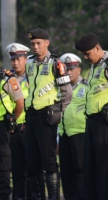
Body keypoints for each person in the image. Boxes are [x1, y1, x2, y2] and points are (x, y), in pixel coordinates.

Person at [75, 33, 108, 200]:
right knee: (91, 166)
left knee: (107, 168)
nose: (85, 57)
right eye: (83, 54)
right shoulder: (94, 65)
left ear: (97, 48)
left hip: (106, 121)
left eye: (87, 54)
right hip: (92, 121)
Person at [25, 28, 72, 200]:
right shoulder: (29, 62)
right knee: (32, 162)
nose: (35, 47)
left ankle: (53, 197)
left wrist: (58, 111)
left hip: (46, 116)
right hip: (31, 116)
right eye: (32, 44)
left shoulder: (56, 63)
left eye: (38, 43)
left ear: (47, 43)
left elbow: (67, 92)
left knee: (49, 162)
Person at [58, 53, 88, 200]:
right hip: (63, 134)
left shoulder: (86, 87)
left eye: (71, 69)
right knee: (66, 172)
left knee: (81, 172)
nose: (69, 72)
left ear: (79, 70)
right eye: (66, 69)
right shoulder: (60, 88)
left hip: (80, 134)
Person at [5, 43, 31, 200]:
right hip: (13, 130)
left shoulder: (33, 77)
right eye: (13, 59)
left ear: (25, 59)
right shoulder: (8, 79)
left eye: (19, 59)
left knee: (32, 168)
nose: (15, 62)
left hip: (29, 129)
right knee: (16, 170)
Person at [0, 67, 24, 200]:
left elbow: (19, 102)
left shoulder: (6, 77)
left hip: (2, 126)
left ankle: (4, 195)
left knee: (3, 163)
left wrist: (12, 120)